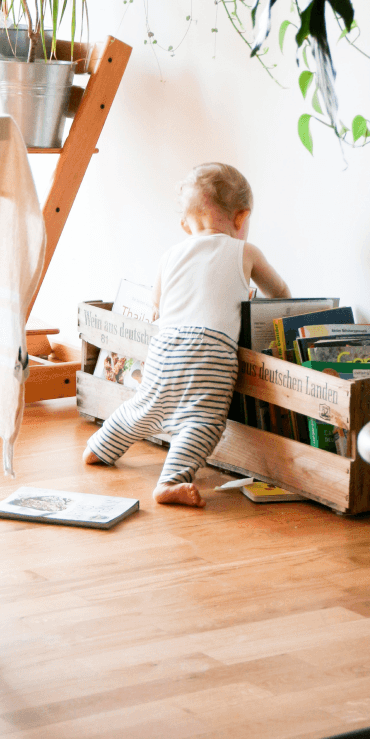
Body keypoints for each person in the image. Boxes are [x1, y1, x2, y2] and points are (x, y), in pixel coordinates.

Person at [83, 163, 291, 507]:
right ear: (241, 218)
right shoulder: (246, 251)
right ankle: (171, 480)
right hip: (212, 350)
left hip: (166, 345)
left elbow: (157, 306)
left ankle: (100, 447)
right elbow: (280, 293)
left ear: (185, 224)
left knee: (146, 406)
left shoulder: (170, 255)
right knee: (204, 420)